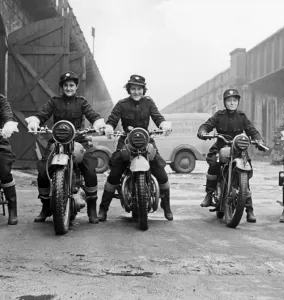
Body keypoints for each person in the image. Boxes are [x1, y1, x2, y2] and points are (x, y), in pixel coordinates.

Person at [25, 71, 105, 224]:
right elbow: (42, 115)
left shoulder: (82, 102)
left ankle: (92, 208)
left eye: (71, 85)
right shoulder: (54, 102)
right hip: (57, 141)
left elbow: (92, 115)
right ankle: (46, 206)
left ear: (76, 87)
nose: (68, 88)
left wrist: (98, 123)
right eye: (66, 85)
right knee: (43, 170)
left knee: (90, 170)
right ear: (62, 87)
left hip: (78, 140)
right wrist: (35, 121)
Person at [98, 74, 173, 221]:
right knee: (115, 173)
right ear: (129, 89)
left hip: (146, 140)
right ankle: (103, 208)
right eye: (133, 88)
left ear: (143, 89)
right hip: (126, 140)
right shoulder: (122, 104)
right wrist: (109, 127)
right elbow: (113, 119)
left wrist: (163, 124)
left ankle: (166, 205)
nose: (136, 92)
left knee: (160, 171)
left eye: (139, 88)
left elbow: (157, 117)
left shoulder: (149, 103)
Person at [197, 88, 265, 223]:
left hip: (238, 150)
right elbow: (206, 125)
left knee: (245, 175)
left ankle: (249, 210)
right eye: (229, 101)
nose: (232, 103)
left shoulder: (242, 116)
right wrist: (203, 132)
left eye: (234, 100)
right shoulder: (219, 115)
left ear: (238, 102)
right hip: (221, 147)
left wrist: (259, 140)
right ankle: (209, 194)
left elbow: (252, 130)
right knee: (214, 165)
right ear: (225, 102)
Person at [0, 94, 19, 225]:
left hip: (0, 140)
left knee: (4, 169)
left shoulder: (1, 100)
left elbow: (7, 114)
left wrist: (8, 125)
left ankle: (12, 208)